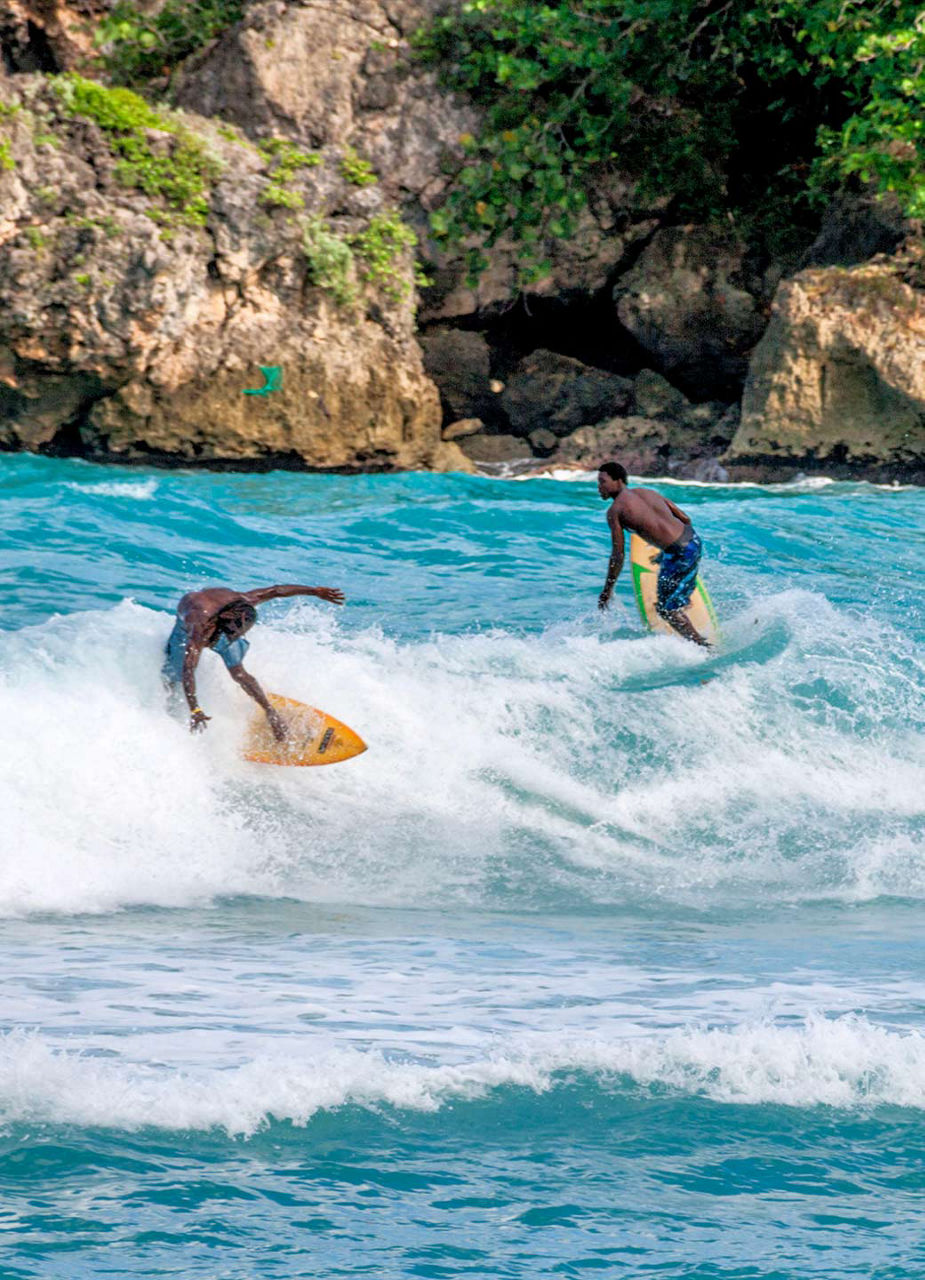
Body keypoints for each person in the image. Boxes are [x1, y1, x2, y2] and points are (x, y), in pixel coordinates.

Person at [162, 583, 345, 737]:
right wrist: (195, 709)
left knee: (239, 673)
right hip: (186, 631)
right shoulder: (196, 625)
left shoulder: (243, 601)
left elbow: (276, 591)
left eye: (237, 634)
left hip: (223, 624)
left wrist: (315, 591)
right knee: (176, 673)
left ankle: (271, 713)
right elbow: (188, 669)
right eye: (227, 634)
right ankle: (169, 703)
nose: (226, 639)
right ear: (216, 623)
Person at [596, 461, 709, 647]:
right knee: (669, 563)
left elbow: (618, 556)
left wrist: (608, 590)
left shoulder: (615, 511)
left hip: (679, 554)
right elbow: (685, 518)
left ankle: (703, 647)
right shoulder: (648, 492)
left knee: (666, 611)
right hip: (693, 541)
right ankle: (682, 595)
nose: (599, 487)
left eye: (602, 482)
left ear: (618, 481)